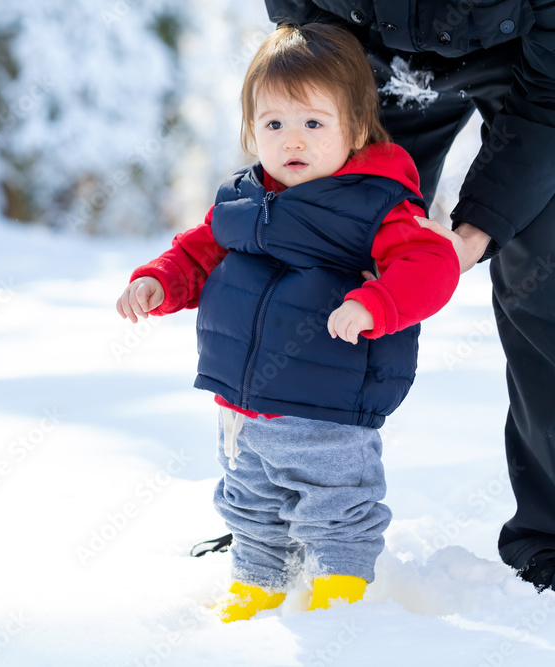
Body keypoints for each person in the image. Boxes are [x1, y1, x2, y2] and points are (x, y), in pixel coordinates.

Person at [116, 22, 460, 621]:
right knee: (249, 502)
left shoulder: (376, 203)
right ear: (252, 130)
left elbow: (429, 264)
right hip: (241, 409)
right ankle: (257, 586)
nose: (291, 140)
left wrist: (374, 303)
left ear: (354, 129)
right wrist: (160, 280)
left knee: (335, 505)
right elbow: (198, 251)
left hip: (325, 406)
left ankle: (340, 598)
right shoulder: (241, 198)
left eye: (313, 123)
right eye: (274, 124)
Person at [261, 0, 555, 594]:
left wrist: (474, 232)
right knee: (311, 262)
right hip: (358, 52)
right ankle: (282, 519)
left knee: (546, 282)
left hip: (529, 62)